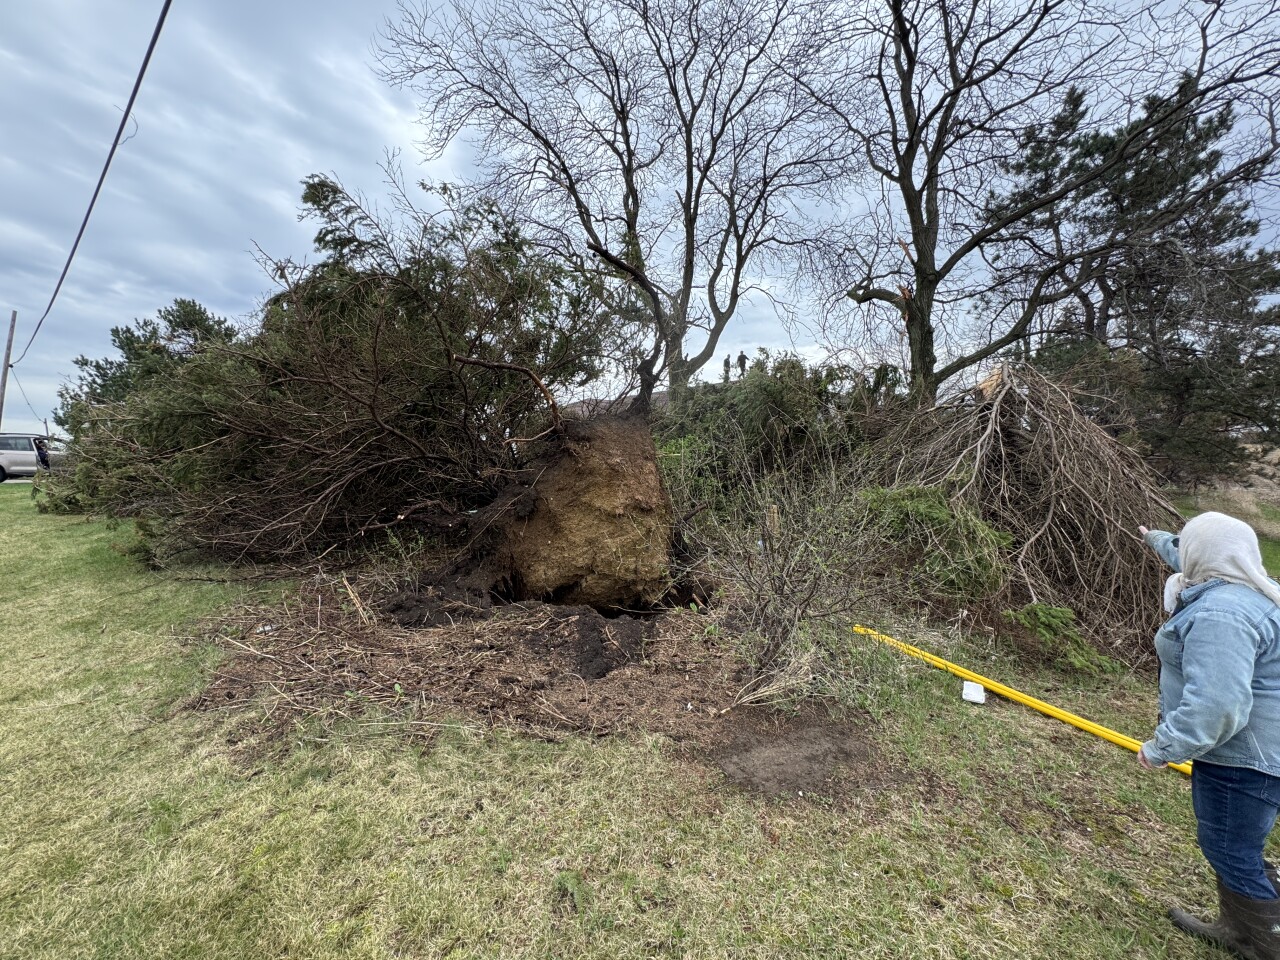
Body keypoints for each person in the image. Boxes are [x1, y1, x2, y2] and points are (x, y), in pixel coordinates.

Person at [1139, 512, 1280, 959]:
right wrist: (1154, 538)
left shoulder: (1223, 614)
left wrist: (1163, 748)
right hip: (1265, 751)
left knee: (1230, 848)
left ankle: (1263, 944)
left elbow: (1218, 705)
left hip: (1243, 757)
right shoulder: (1256, 593)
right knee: (1238, 843)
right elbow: (1186, 549)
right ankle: (1237, 926)